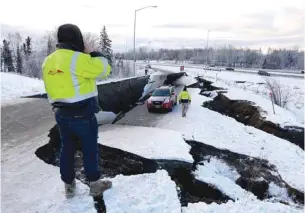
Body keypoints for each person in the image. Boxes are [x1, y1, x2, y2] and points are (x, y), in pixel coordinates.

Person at [42, 24, 112, 198]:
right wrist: (92, 52)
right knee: (89, 150)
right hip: (83, 114)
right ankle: (95, 185)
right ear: (77, 38)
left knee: (67, 148)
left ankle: (69, 187)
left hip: (61, 114)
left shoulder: (48, 60)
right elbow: (105, 69)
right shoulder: (78, 59)